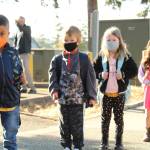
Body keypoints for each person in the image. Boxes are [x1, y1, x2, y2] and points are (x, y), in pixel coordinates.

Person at [49, 26, 97, 150]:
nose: (68, 43)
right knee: (64, 124)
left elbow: (90, 78)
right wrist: (54, 90)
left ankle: (77, 146)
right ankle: (66, 145)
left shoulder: (84, 58)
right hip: (62, 99)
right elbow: (53, 76)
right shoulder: (57, 59)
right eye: (66, 41)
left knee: (77, 125)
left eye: (71, 41)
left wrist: (91, 96)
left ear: (78, 41)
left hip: (78, 100)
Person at [93, 26, 138, 150]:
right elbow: (93, 70)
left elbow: (134, 70)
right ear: (104, 41)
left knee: (119, 119)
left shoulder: (125, 55)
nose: (111, 42)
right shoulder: (101, 55)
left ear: (119, 40)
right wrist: (100, 75)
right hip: (106, 94)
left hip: (119, 94)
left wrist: (123, 74)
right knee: (105, 120)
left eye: (114, 40)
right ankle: (104, 143)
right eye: (108, 40)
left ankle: (119, 143)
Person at [0, 14, 25, 150]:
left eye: (1, 33)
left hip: (11, 102)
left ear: (8, 34)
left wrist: (22, 78)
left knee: (10, 139)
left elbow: (19, 73)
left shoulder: (13, 53)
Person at [14, 16, 36, 94]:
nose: (21, 22)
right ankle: (24, 87)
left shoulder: (27, 28)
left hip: (25, 52)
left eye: (22, 21)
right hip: (18, 53)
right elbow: (15, 42)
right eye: (20, 21)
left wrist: (18, 24)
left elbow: (22, 29)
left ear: (24, 21)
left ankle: (32, 88)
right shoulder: (17, 30)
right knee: (20, 71)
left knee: (26, 70)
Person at [138, 40, 150, 142]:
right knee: (148, 113)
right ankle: (147, 132)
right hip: (149, 90)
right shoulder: (145, 61)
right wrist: (145, 81)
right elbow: (140, 75)